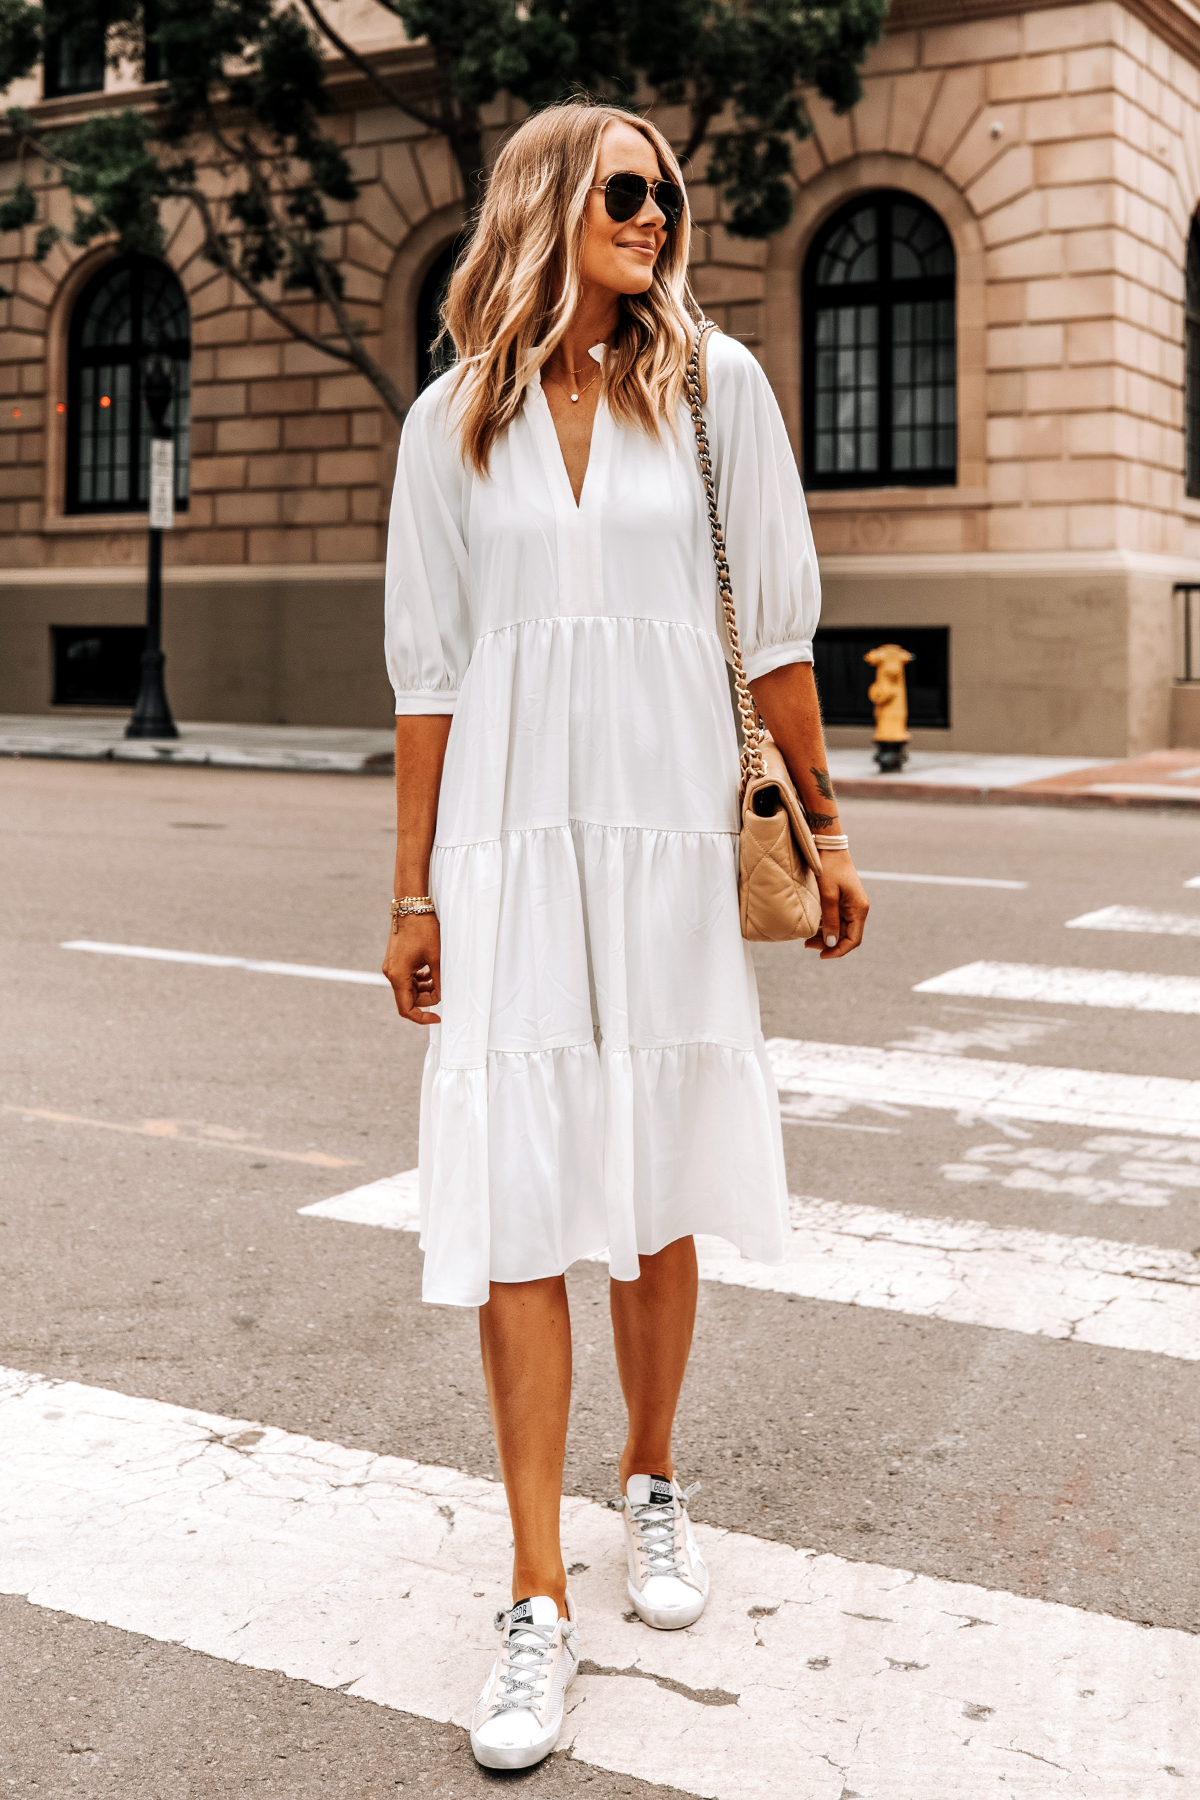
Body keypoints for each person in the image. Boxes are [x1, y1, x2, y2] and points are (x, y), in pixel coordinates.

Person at [382, 99, 869, 1771]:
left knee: (654, 1174)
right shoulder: (454, 421)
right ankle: (536, 1591)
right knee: (521, 1193)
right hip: (511, 845)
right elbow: (429, 677)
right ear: (546, 205)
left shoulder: (716, 390)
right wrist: (411, 890)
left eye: (667, 195)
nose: (656, 218)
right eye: (626, 192)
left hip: (667, 839)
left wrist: (829, 824)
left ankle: (650, 1481)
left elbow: (782, 633)